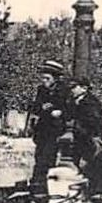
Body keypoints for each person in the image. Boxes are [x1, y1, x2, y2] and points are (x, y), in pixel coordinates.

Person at [27, 59, 71, 193]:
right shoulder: (41, 90)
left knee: (48, 159)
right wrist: (44, 108)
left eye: (47, 78)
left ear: (55, 78)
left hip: (56, 131)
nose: (44, 81)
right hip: (42, 131)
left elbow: (69, 110)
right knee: (39, 158)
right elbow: (35, 107)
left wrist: (60, 112)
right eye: (43, 78)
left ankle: (43, 187)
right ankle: (37, 185)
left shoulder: (64, 91)